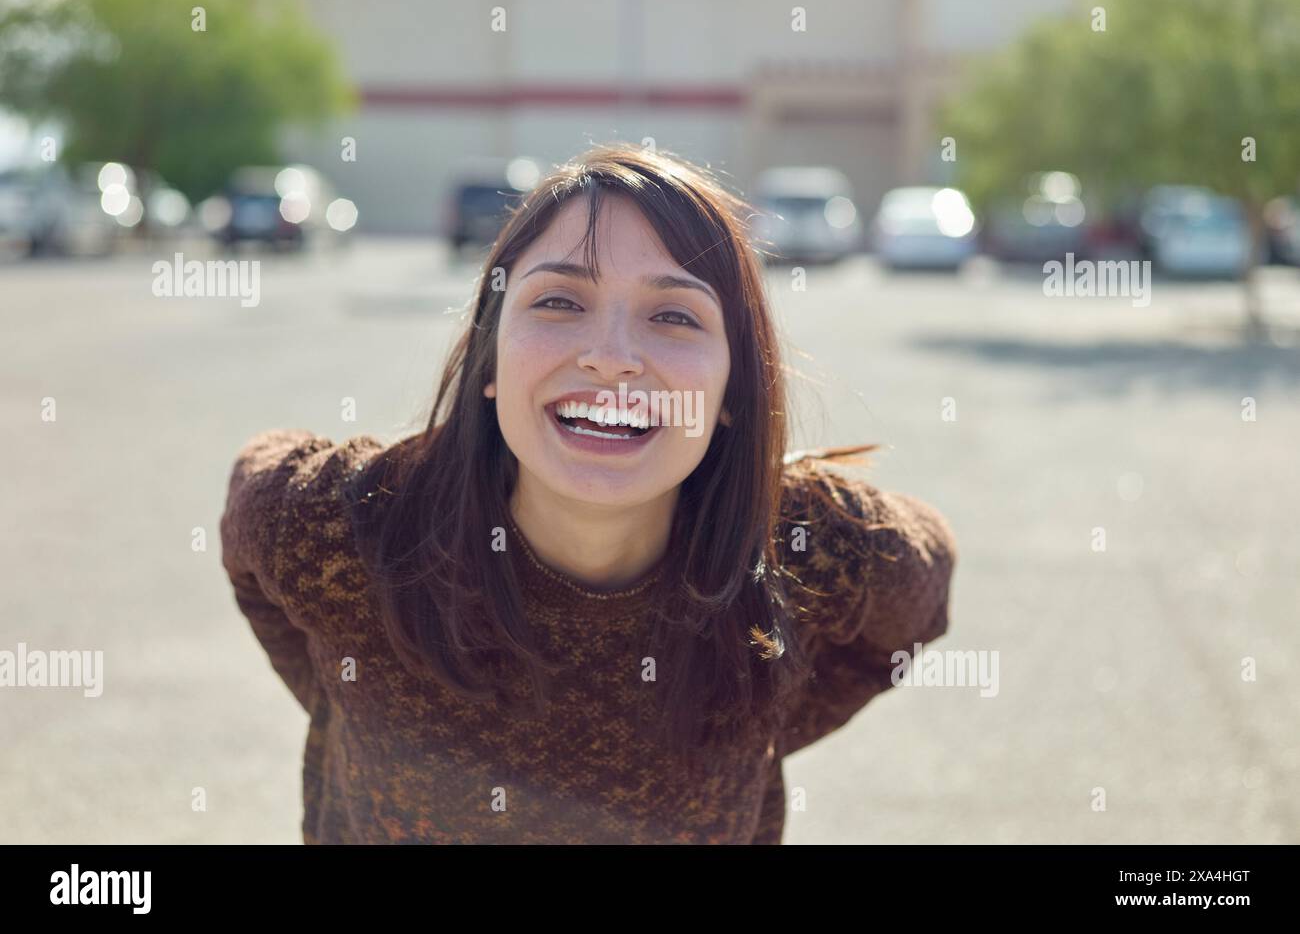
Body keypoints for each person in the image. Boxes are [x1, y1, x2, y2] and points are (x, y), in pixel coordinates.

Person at [219, 142, 957, 844]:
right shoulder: (342, 528)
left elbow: (920, 595)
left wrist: (763, 727)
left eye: (673, 315)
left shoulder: (811, 547)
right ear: (490, 362)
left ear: (734, 389)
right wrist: (338, 688)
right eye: (559, 303)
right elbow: (250, 508)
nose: (611, 359)